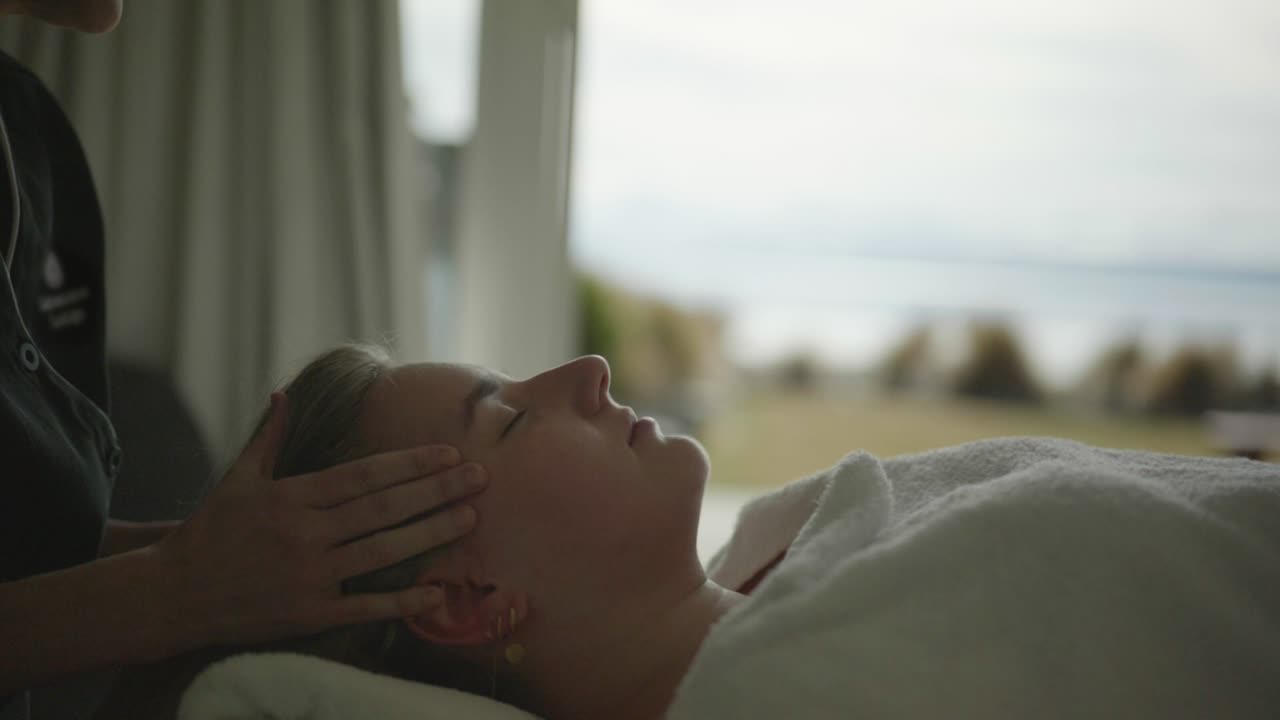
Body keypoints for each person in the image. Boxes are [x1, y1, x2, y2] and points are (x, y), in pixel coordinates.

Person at [143, 343, 1279, 720]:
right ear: (466, 602)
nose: (586, 370)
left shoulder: (792, 556)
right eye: (509, 417)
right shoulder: (802, 685)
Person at [0, 4, 482, 719]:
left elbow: (22, 538)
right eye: (509, 416)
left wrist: (225, 559)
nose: (594, 373)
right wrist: (178, 589)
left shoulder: (28, 134)